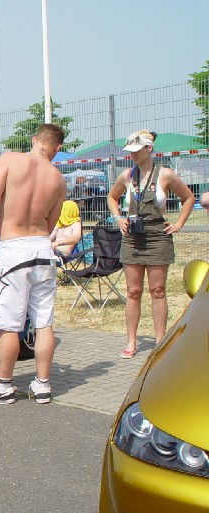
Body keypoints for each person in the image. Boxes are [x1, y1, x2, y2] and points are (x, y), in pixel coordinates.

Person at [0, 123, 67, 405]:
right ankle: (43, 385)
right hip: (42, 249)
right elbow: (50, 223)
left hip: (14, 249)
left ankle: (2, 386)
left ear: (34, 139)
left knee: (9, 325)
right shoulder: (58, 179)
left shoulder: (10, 159)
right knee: (44, 322)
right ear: (57, 148)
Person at [106, 130, 194, 359]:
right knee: (133, 291)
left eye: (137, 150)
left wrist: (178, 224)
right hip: (132, 236)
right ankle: (131, 341)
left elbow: (188, 198)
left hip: (158, 235)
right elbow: (111, 197)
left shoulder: (166, 174)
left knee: (158, 290)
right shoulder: (126, 175)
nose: (133, 155)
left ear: (149, 149)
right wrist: (118, 218)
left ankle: (160, 341)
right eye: (130, 151)